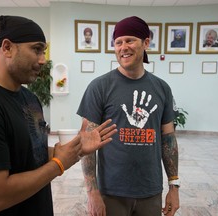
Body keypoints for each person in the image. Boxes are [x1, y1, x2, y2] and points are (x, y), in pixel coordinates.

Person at [0, 15, 117, 216]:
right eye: (36, 49)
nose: (43, 60)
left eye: (44, 51)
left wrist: (75, 149)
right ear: (7, 47)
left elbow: (29, 154)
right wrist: (58, 164)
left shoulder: (29, 98)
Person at [77, 16, 180, 216]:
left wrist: (174, 187)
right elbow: (87, 144)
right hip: (112, 192)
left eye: (130, 40)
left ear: (146, 43)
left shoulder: (162, 88)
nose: (123, 47)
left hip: (150, 191)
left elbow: (168, 139)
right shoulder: (99, 87)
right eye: (118, 42)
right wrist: (92, 193)